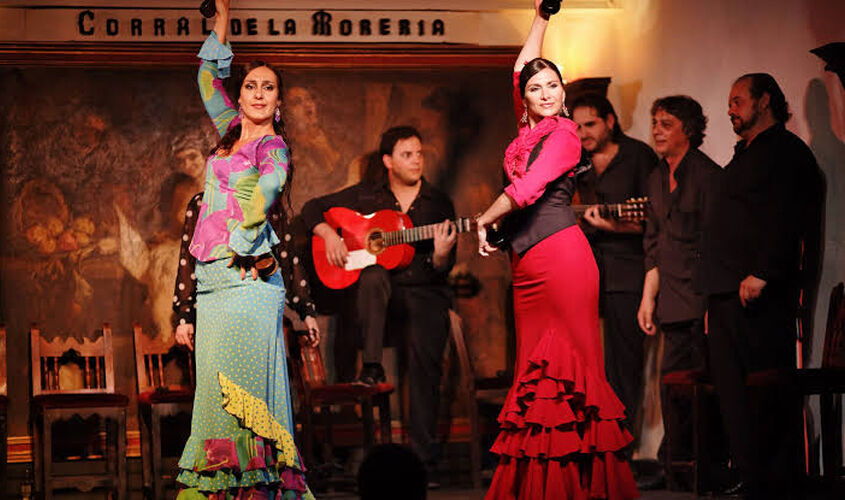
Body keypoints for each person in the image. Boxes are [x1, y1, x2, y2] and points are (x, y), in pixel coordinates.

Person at [475, 2, 638, 498]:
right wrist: (542, 17)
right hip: (527, 267)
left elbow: (527, 190)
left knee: (571, 374)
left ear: (563, 93)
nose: (546, 93)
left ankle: (586, 485)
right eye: (536, 88)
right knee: (535, 378)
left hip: (563, 261)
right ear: (524, 98)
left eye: (554, 86)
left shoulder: (565, 135)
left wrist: (484, 217)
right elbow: (521, 67)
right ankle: (542, 485)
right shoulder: (527, 131)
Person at [173, 1, 314, 498]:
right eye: (251, 85)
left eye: (267, 87)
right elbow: (205, 79)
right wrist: (222, 20)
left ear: (278, 101)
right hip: (212, 285)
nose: (257, 93)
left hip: (248, 280)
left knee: (245, 398)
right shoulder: (230, 131)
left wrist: (241, 236)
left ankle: (256, 491)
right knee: (214, 400)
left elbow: (270, 187)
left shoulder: (272, 146)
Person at [301, 125, 457, 477]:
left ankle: (423, 459)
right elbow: (312, 209)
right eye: (407, 154)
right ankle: (371, 368)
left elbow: (444, 268)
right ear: (388, 161)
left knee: (424, 352)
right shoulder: (368, 196)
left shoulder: (438, 203)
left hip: (424, 292)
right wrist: (327, 234)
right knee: (372, 275)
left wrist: (441, 255)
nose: (416, 160)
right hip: (380, 298)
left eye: (419, 153)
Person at [699, 73, 818, 499]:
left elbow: (788, 217)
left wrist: (765, 271)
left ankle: (773, 479)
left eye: (738, 101)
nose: (730, 109)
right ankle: (750, 474)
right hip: (727, 291)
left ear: (764, 101)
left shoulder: (786, 152)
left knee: (764, 392)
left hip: (757, 292)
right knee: (733, 393)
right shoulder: (745, 153)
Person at [638, 95, 720, 488]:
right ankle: (675, 466)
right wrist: (647, 297)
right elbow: (653, 243)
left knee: (703, 390)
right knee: (671, 387)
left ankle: (704, 466)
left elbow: (717, 244)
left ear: (687, 130)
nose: (656, 130)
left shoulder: (707, 176)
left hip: (701, 302)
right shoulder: (656, 178)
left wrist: (710, 307)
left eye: (666, 124)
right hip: (671, 300)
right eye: (654, 123)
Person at [570, 92, 657, 437]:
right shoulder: (573, 162)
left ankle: (620, 443)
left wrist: (611, 225)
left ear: (609, 121)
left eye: (590, 124)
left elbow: (654, 219)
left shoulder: (638, 157)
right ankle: (585, 437)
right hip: (583, 271)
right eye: (577, 127)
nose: (583, 134)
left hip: (626, 271)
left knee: (624, 362)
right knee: (582, 359)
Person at [173, 192, 320, 354]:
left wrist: (307, 312)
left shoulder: (268, 204)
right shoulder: (204, 203)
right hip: (218, 315)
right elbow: (189, 261)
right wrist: (184, 315)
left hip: (261, 315)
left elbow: (288, 261)